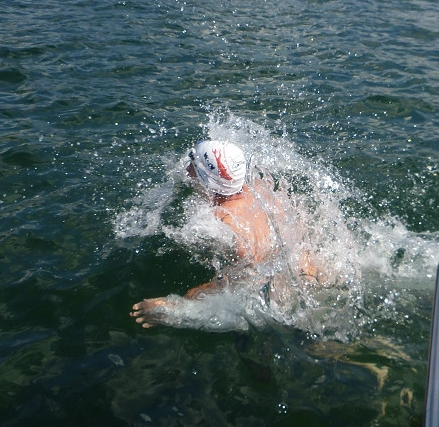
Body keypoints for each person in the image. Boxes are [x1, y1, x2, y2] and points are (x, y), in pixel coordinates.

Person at [131, 140, 322, 329]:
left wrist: (176, 308)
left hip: (289, 308)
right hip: (313, 273)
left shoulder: (225, 224)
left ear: (207, 178)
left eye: (193, 165)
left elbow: (240, 284)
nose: (188, 169)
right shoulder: (261, 189)